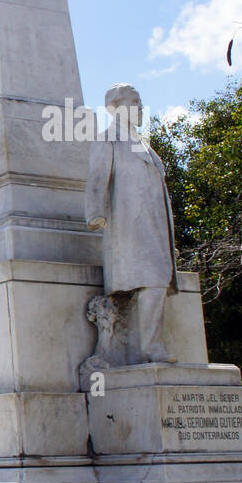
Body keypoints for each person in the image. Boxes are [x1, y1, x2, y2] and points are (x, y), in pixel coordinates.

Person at [84, 83, 179, 364]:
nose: (139, 108)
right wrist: (95, 212)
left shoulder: (143, 144)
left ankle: (147, 345)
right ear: (116, 107)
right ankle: (150, 347)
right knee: (152, 279)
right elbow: (97, 177)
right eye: (134, 102)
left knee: (158, 278)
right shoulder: (108, 140)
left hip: (155, 226)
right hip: (129, 227)